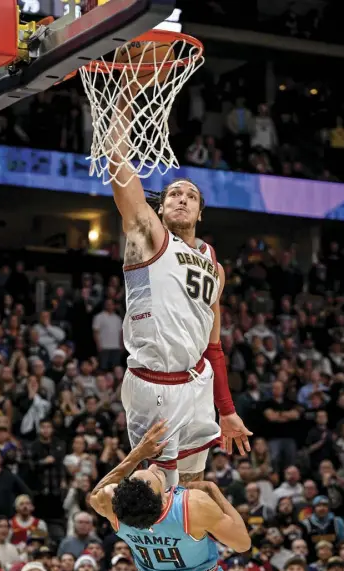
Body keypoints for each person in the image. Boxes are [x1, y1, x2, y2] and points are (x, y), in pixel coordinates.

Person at [107, 89, 252, 485]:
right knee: (153, 495)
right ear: (160, 207)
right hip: (150, 381)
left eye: (191, 196)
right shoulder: (149, 235)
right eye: (174, 194)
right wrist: (121, 104)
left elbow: (214, 344)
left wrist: (227, 409)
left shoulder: (214, 265)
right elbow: (121, 170)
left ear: (200, 212)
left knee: (193, 491)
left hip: (195, 382)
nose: (182, 199)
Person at [90, 422, 251, 571]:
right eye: (158, 476)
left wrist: (137, 454)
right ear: (163, 499)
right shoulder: (192, 506)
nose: (155, 466)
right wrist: (214, 491)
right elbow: (243, 543)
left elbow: (96, 494)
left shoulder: (116, 511)